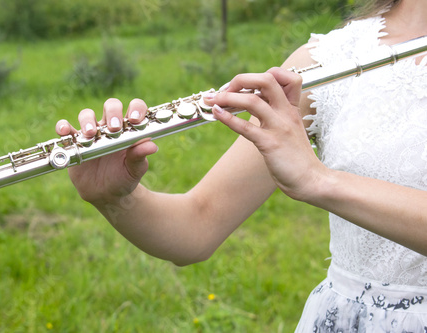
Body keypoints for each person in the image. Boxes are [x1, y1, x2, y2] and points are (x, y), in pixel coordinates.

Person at [56, 0, 427, 330]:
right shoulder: (329, 58)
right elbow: (197, 226)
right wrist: (118, 200)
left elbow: (316, 180)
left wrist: (320, 181)